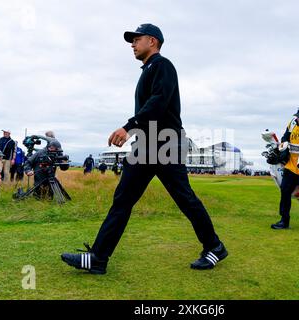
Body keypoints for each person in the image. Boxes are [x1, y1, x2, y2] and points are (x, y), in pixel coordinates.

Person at [61, 23, 227, 275]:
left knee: (185, 199)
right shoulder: (148, 69)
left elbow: (158, 102)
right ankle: (98, 258)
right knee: (122, 200)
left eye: (136, 39)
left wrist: (128, 127)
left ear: (152, 41)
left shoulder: (163, 65)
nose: (132, 44)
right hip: (146, 145)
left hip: (166, 143)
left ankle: (214, 246)